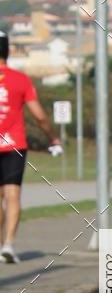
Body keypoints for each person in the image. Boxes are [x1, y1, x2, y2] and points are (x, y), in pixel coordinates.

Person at [0, 30, 62, 263]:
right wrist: (52, 137)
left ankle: (0, 246)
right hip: (14, 144)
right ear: (8, 50)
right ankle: (8, 244)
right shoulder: (20, 79)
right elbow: (39, 116)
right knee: (12, 194)